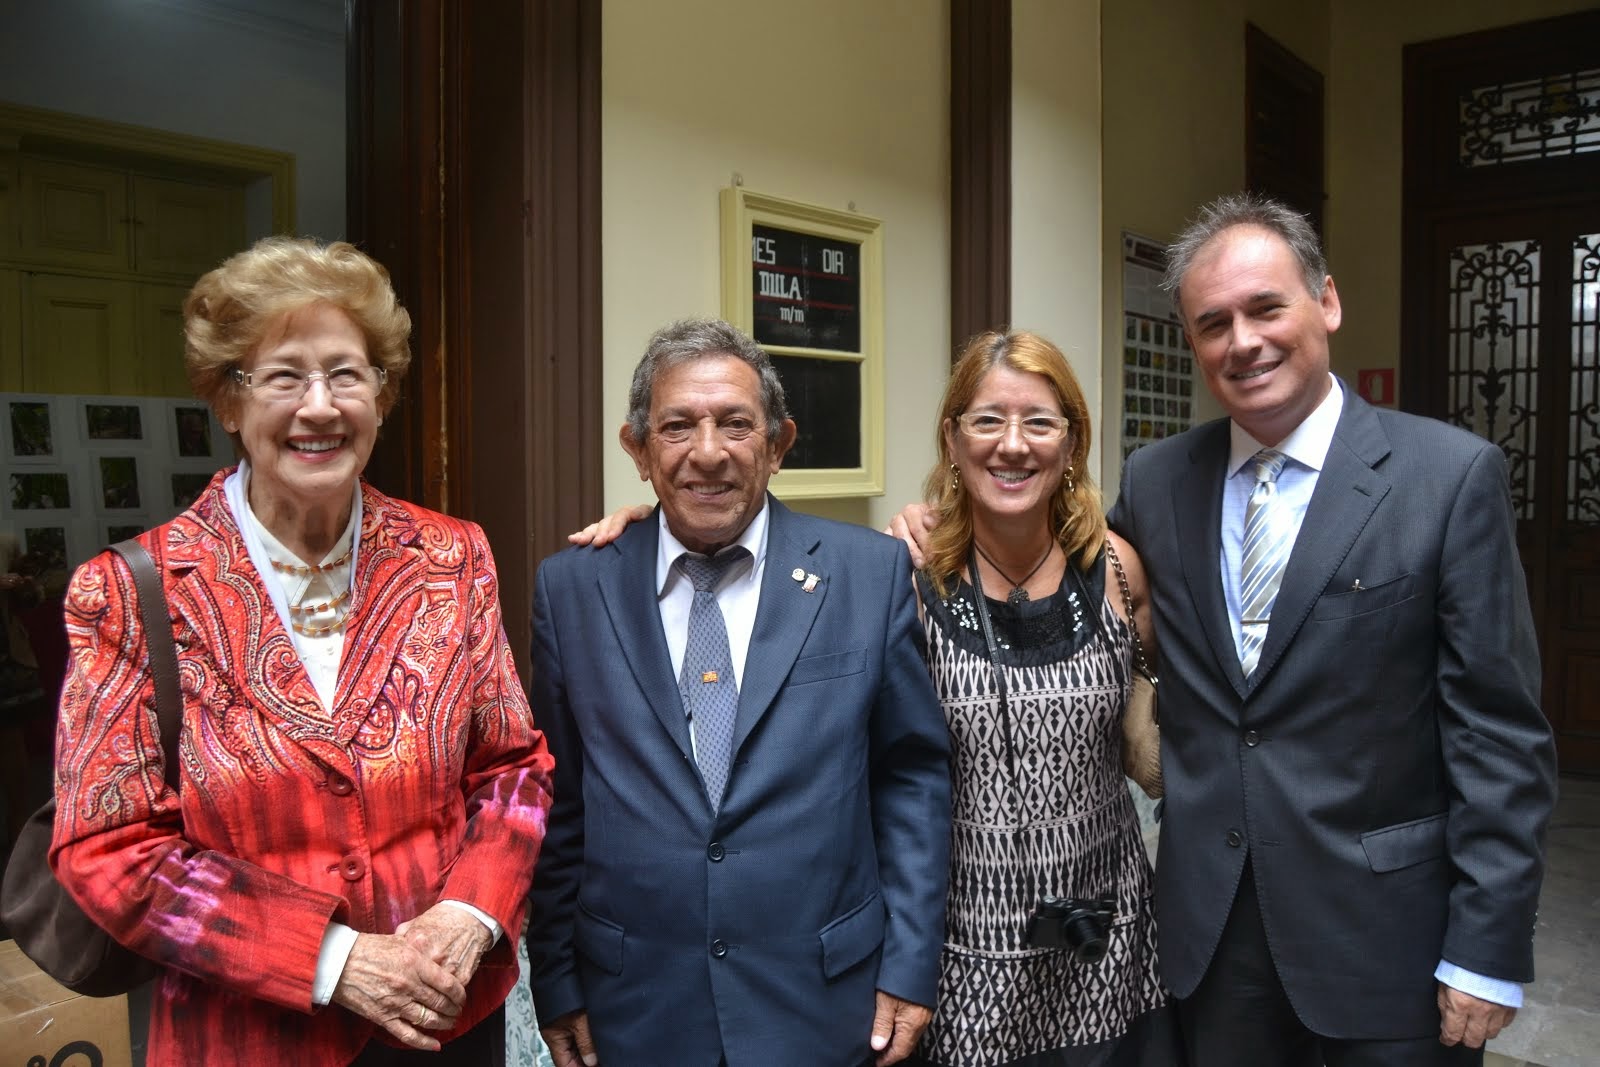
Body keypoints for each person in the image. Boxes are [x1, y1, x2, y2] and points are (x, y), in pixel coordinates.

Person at [893, 194, 1558, 1066]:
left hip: (1386, 940)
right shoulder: (1162, 482)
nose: (1243, 340)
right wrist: (655, 529)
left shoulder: (1448, 475)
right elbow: (1061, 565)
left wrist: (1487, 944)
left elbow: (1499, 731)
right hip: (1208, 941)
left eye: (1266, 308)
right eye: (1214, 323)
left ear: (1326, 301)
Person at [571, 329, 1177, 1066]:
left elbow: (1180, 715)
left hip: (1102, 937)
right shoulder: (907, 576)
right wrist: (650, 531)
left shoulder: (1118, 570)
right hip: (964, 952)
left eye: (1040, 421)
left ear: (1073, 440)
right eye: (986, 420)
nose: (1012, 444)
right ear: (951, 439)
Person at [48, 237, 556, 1067]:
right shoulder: (128, 595)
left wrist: (473, 912)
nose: (319, 406)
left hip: (445, 1023)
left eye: (347, 374)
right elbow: (103, 847)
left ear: (382, 396)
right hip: (250, 1035)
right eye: (283, 375)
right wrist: (336, 960)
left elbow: (512, 769)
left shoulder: (451, 559)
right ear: (227, 399)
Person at [526, 318, 952, 1067]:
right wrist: (556, 978)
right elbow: (559, 805)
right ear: (637, 448)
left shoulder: (868, 574)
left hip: (827, 1002)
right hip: (637, 1011)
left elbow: (911, 779)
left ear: (779, 443)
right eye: (677, 426)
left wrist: (911, 964)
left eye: (736, 424)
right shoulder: (573, 589)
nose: (709, 452)